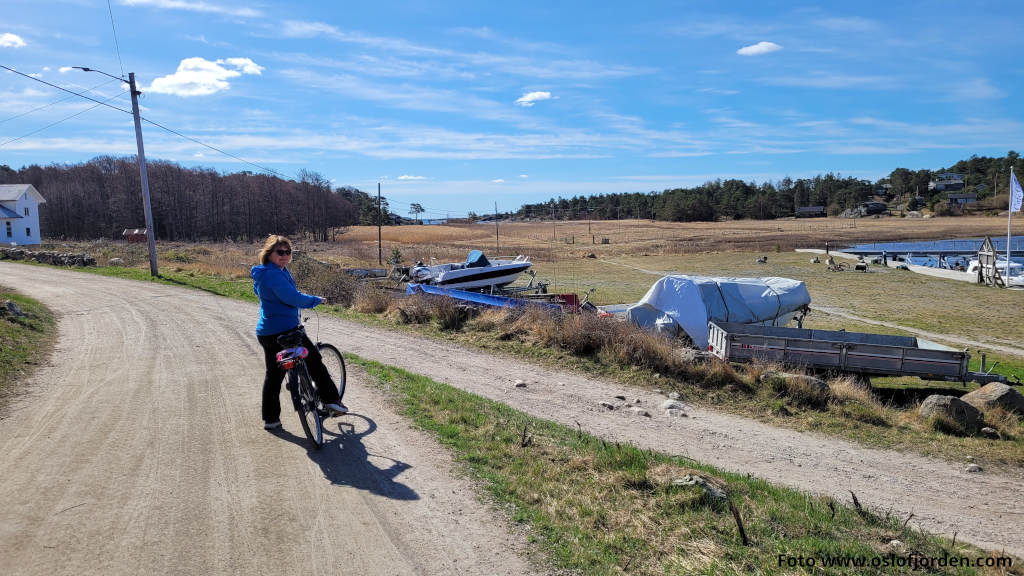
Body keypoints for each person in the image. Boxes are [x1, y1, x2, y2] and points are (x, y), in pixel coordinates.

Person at [251, 235, 346, 430]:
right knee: (315, 363)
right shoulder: (274, 274)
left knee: (273, 376)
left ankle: (271, 419)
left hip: (266, 332)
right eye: (280, 252)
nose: (285, 256)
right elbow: (291, 297)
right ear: (269, 253)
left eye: (288, 252)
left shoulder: (266, 272)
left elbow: (265, 294)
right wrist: (315, 300)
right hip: (286, 331)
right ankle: (331, 401)